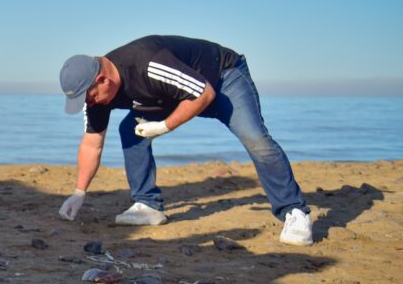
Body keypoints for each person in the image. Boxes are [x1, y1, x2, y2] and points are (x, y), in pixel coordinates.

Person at [56, 35, 313, 246]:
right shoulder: (98, 97)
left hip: (222, 80)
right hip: (171, 94)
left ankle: (294, 211)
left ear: (103, 80)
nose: (89, 104)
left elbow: (203, 93)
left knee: (255, 139)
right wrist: (79, 192)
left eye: (89, 97)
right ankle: (147, 205)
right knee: (130, 130)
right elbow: (92, 143)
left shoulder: (148, 64)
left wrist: (165, 126)